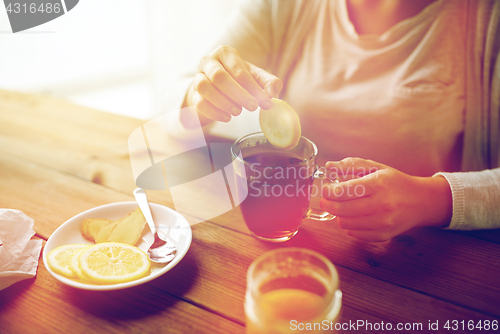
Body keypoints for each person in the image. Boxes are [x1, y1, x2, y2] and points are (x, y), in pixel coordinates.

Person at [175, 0, 500, 241]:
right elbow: (177, 107)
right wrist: (199, 97)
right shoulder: (284, 7)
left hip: (434, 255)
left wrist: (431, 198)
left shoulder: (487, 19)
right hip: (312, 240)